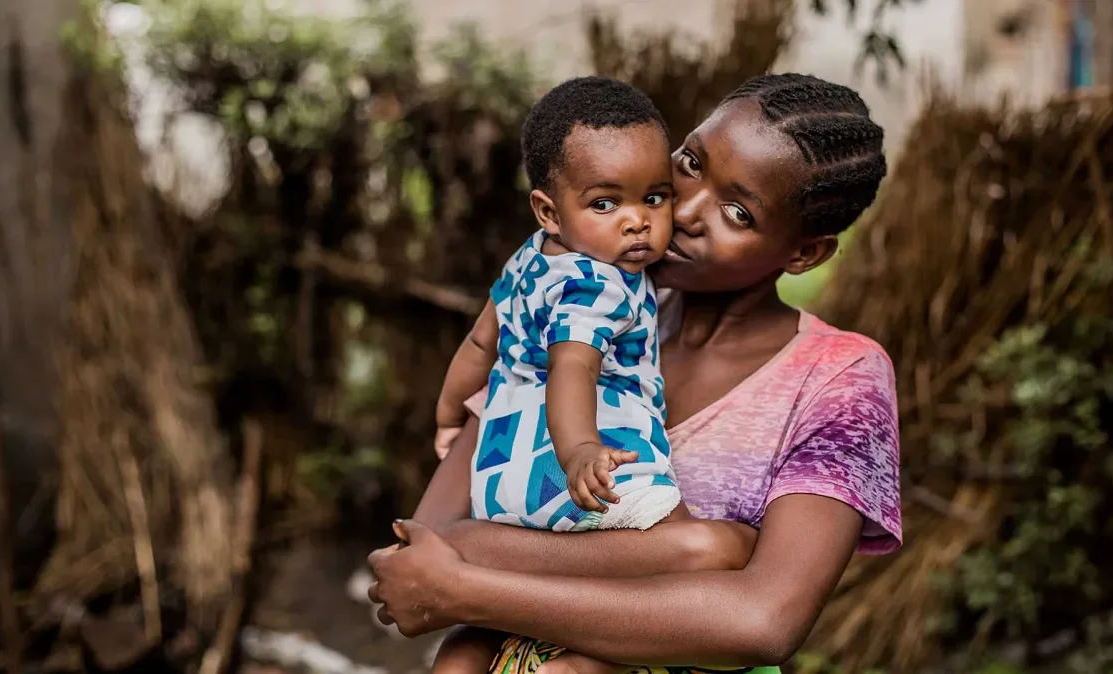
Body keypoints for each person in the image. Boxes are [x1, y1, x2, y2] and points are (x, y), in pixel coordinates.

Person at [368, 73, 901, 674]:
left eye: (737, 212)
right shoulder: (574, 293)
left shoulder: (838, 377)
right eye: (690, 163)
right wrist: (695, 552)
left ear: (804, 254)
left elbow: (761, 622)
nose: (686, 212)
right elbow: (431, 539)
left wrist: (470, 588)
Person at [433, 76, 687, 674]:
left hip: (499, 483)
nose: (637, 223)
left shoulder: (527, 260)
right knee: (698, 557)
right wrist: (580, 452)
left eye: (655, 198)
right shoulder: (599, 283)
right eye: (605, 203)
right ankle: (588, 659)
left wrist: (447, 415)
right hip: (578, 472)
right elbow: (572, 366)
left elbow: (478, 343)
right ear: (549, 209)